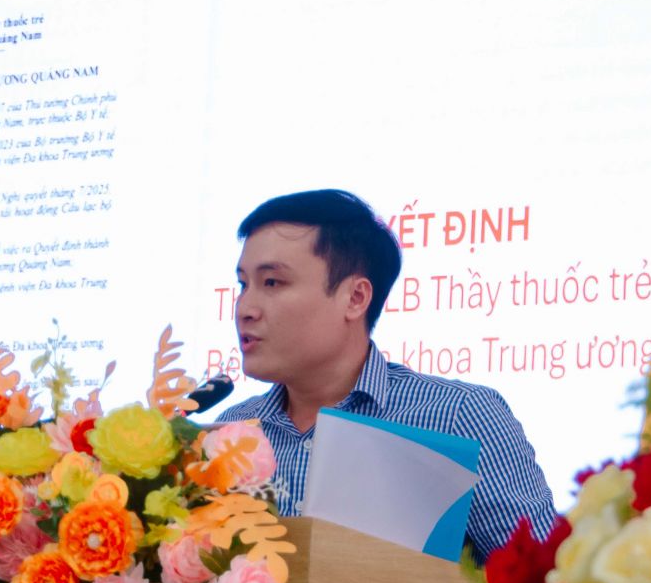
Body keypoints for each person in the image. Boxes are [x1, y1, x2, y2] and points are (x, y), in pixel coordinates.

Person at [216, 189, 557, 559]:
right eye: (243, 285)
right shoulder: (232, 431)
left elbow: (544, 577)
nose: (245, 308)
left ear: (355, 298)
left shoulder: (460, 416)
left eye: (272, 283)